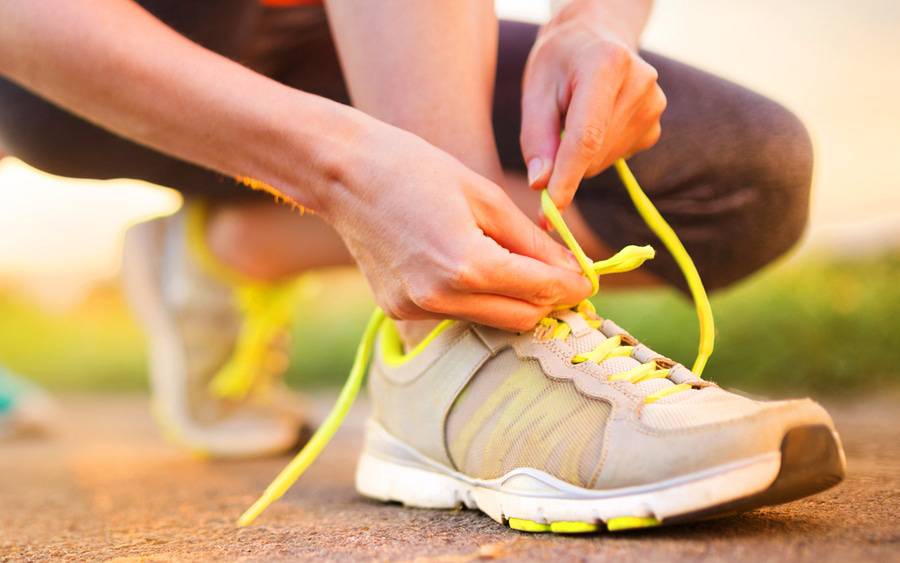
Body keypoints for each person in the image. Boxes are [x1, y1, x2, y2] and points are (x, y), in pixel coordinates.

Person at [0, 1, 844, 531]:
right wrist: (343, 170)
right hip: (88, 47)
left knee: (748, 176)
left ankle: (229, 249)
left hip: (333, 33)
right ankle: (459, 337)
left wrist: (594, 20)